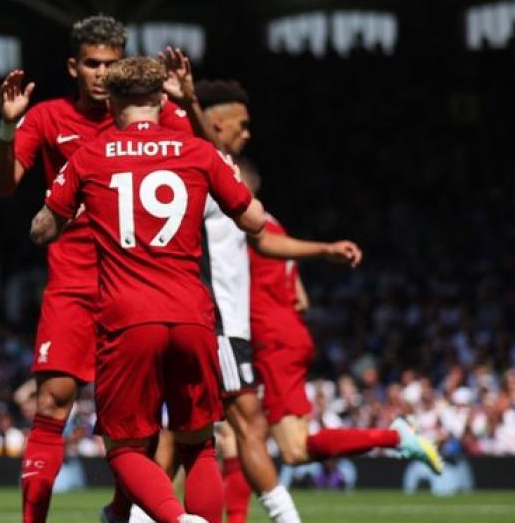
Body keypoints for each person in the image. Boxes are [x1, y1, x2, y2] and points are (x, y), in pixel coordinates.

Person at [185, 82, 439, 523]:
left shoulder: (244, 211)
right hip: (264, 333)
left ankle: (390, 439)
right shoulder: (224, 194)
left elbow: (267, 249)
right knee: (230, 432)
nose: (248, 135)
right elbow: (294, 288)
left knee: (261, 439)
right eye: (242, 126)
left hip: (259, 334)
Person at [0, 14, 207, 523]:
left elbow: (209, 154)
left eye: (111, 64)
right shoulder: (46, 119)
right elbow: (4, 185)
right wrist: (7, 126)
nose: (102, 74)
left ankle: (122, 512)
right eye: (92, 63)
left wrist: (191, 100)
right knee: (52, 402)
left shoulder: (155, 115)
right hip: (75, 284)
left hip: (139, 285)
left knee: (139, 425)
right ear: (74, 65)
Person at [30, 56, 266, 523]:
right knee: (198, 445)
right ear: (160, 99)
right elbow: (254, 221)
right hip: (193, 316)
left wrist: (70, 211)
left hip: (127, 318)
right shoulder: (198, 152)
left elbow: (41, 231)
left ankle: (175, 521)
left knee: (123, 448)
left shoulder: (91, 156)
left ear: (113, 101)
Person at [226, 158, 442, 523]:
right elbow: (302, 299)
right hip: (279, 333)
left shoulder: (238, 225)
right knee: (237, 433)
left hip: (270, 339)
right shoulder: (273, 224)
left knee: (292, 449)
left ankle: (395, 438)